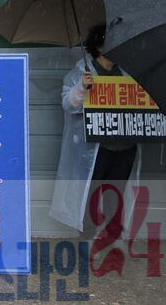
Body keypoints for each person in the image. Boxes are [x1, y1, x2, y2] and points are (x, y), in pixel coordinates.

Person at [50, 23, 141, 240]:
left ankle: (113, 238)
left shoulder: (128, 71)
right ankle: (88, 238)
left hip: (125, 146)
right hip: (94, 148)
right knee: (90, 195)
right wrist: (81, 88)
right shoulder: (82, 71)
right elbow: (68, 104)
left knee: (116, 196)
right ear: (99, 45)